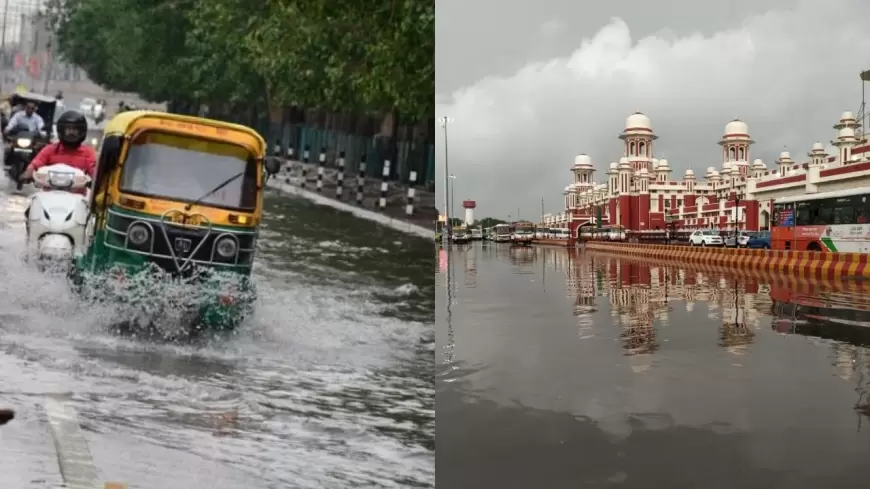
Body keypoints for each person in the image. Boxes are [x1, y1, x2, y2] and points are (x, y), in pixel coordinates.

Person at [21, 111, 96, 219]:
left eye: (75, 129)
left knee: (89, 219)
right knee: (30, 212)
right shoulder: (50, 149)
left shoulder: (88, 153)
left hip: (76, 202)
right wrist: (27, 174)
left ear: (82, 132)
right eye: (68, 129)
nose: (71, 132)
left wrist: (96, 182)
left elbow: (94, 171)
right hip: (48, 198)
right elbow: (35, 164)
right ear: (61, 130)